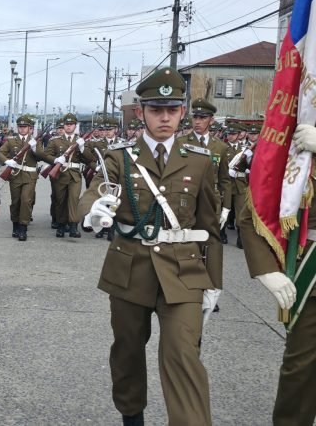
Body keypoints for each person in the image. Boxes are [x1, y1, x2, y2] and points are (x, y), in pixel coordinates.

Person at [78, 67, 222, 426]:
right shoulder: (119, 157)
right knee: (127, 351)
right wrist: (91, 212)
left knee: (183, 354)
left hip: (184, 272)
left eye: (172, 110)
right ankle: (132, 417)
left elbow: (210, 227)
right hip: (130, 269)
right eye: (156, 110)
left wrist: (214, 284)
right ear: (141, 112)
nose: (164, 117)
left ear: (182, 113)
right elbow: (93, 194)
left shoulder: (199, 161)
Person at [240, 118, 316, 426]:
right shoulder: (295, 145)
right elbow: (252, 214)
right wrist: (265, 269)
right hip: (312, 277)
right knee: (301, 373)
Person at [0, 115, 49, 241]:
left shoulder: (36, 141)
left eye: (25, 127)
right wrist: (7, 161)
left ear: (30, 129)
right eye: (20, 127)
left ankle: (23, 227)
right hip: (15, 175)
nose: (23, 129)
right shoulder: (11, 141)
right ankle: (15, 224)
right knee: (16, 202)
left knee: (26, 200)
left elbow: (42, 157)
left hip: (30, 175)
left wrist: (35, 147)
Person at [184, 98, 230, 240]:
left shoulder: (220, 147)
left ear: (211, 120)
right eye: (195, 117)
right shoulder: (180, 143)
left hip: (211, 201)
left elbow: (225, 180)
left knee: (209, 244)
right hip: (187, 200)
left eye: (202, 118)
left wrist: (226, 208)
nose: (197, 121)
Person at [44, 113, 86, 238]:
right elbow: (46, 155)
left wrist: (83, 148)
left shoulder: (80, 141)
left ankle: (73, 226)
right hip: (61, 174)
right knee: (60, 200)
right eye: (66, 125)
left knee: (74, 199)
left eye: (71, 124)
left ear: (75, 126)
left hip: (75, 175)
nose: (68, 127)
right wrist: (56, 160)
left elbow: (89, 158)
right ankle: (61, 225)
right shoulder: (55, 141)